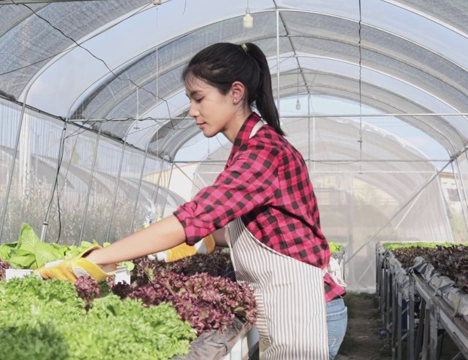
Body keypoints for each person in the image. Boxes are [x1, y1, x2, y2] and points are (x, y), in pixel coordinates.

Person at [36, 42, 348, 360]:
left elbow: (195, 217)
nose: (192, 111)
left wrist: (100, 258)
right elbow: (269, 230)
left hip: (305, 310)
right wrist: (211, 241)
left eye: (199, 98)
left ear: (236, 92)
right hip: (288, 306)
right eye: (190, 99)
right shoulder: (249, 148)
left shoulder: (263, 153)